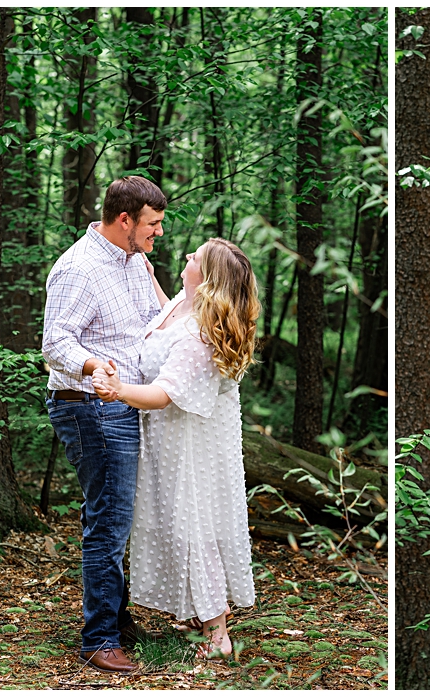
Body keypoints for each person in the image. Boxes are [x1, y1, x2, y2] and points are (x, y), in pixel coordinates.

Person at [91, 238, 260, 659]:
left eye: (195, 258)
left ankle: (217, 633)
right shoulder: (183, 307)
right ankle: (194, 612)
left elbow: (165, 392)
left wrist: (117, 390)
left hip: (189, 446)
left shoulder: (202, 335)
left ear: (207, 279)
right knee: (172, 524)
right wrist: (148, 278)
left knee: (193, 527)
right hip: (168, 440)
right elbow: (169, 316)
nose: (186, 258)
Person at [43, 175, 169, 674]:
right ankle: (98, 639)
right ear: (125, 220)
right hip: (89, 405)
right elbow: (56, 343)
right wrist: (97, 367)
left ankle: (115, 619)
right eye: (152, 225)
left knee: (111, 514)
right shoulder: (79, 268)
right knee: (109, 523)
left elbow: (152, 320)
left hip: (125, 403)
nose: (157, 233)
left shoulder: (134, 261)